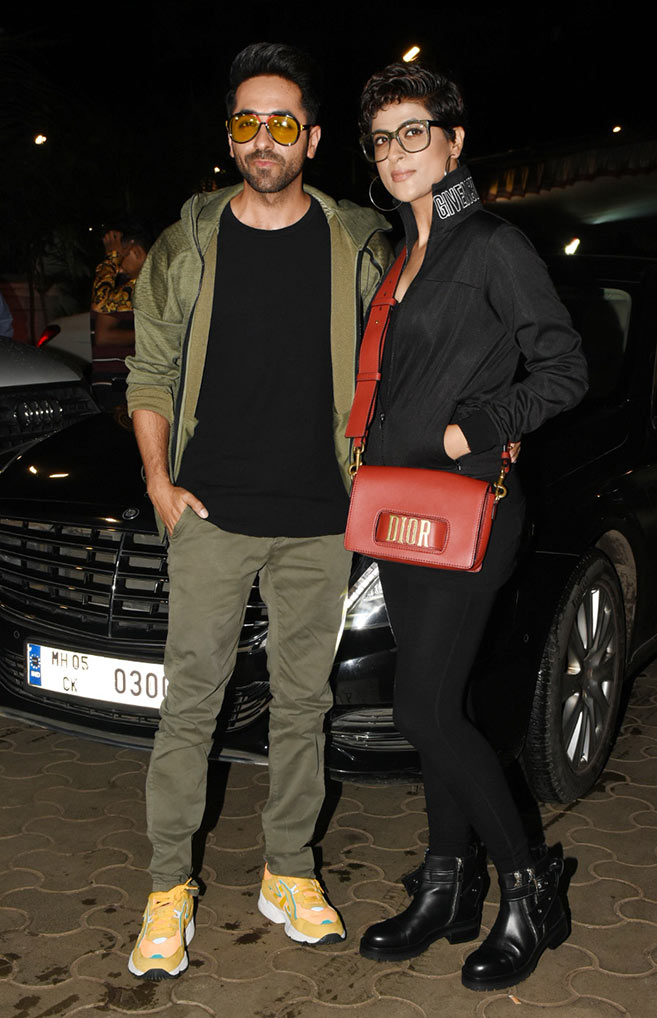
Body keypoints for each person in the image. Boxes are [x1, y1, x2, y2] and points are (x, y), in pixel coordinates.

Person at [125, 42, 392, 980]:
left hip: (321, 516)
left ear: (311, 139)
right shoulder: (188, 244)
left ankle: (289, 870)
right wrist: (158, 482)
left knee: (303, 705)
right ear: (230, 137)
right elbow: (149, 370)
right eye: (248, 122)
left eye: (283, 122)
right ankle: (169, 886)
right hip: (210, 514)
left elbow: (398, 360)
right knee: (190, 706)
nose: (264, 139)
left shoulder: (359, 244)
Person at [354, 63, 588, 992]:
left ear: (454, 143)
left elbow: (563, 368)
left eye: (415, 132)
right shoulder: (401, 254)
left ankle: (532, 891)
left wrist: (477, 426)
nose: (396, 152)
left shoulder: (490, 243)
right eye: (382, 138)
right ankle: (447, 886)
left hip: (467, 510)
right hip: (400, 510)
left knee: (421, 710)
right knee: (433, 705)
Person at [91, 225, 150, 400]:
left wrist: (111, 257)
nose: (119, 269)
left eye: (122, 257)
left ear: (136, 251)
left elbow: (101, 303)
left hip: (126, 379)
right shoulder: (128, 287)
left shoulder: (150, 284)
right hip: (117, 380)